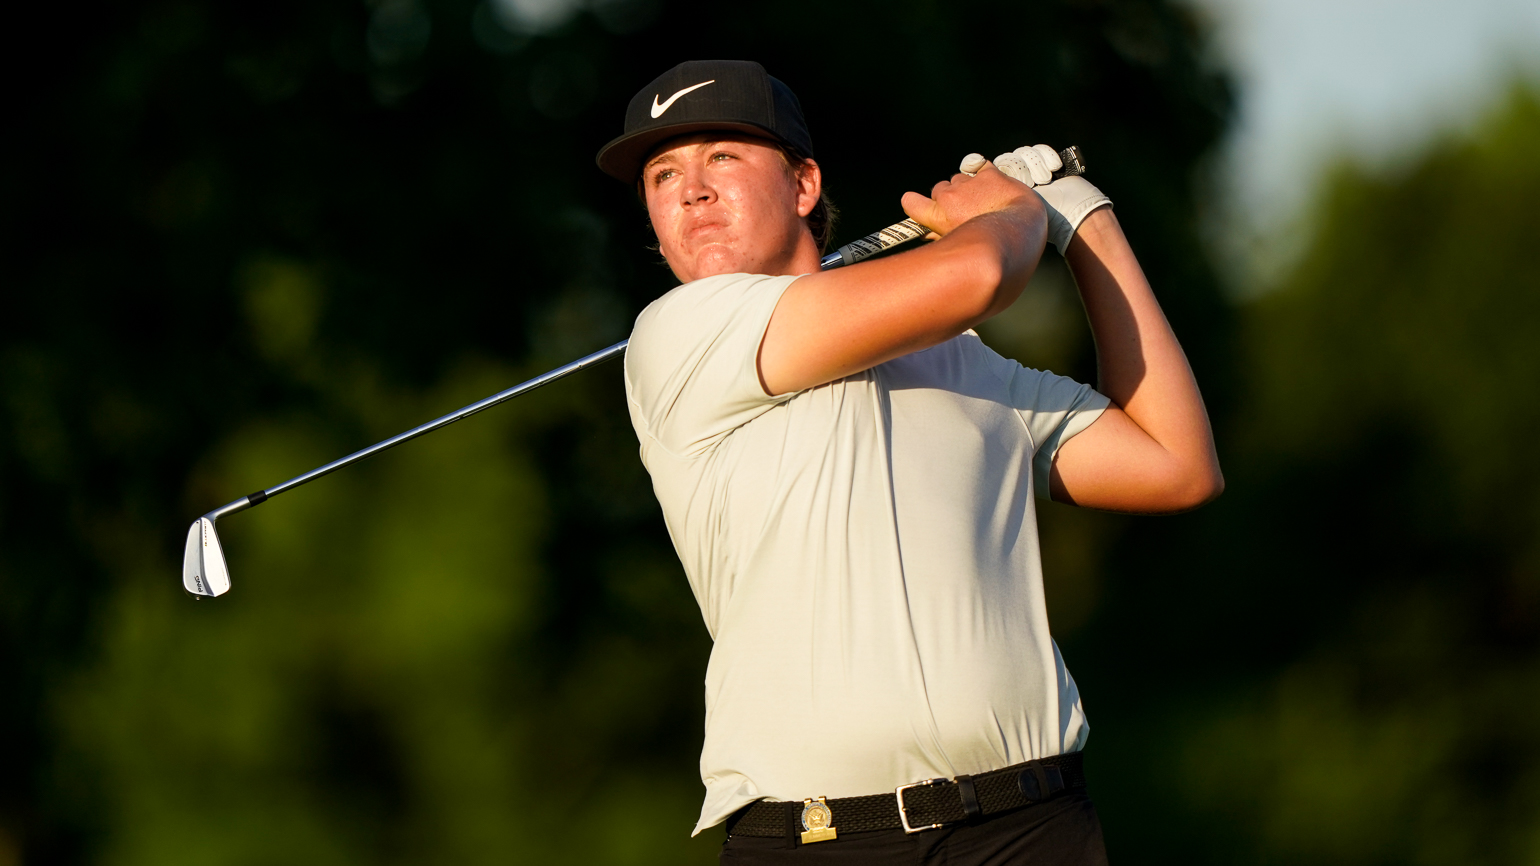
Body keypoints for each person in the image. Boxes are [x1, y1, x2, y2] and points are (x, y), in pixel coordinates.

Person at [595, 60, 1222, 865]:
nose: (691, 190)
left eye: (722, 157)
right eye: (662, 173)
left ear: (803, 184)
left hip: (1028, 828)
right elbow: (982, 271)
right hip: (819, 842)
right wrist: (1009, 211)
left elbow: (1178, 464)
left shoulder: (964, 363)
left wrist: (1084, 221)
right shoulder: (676, 335)